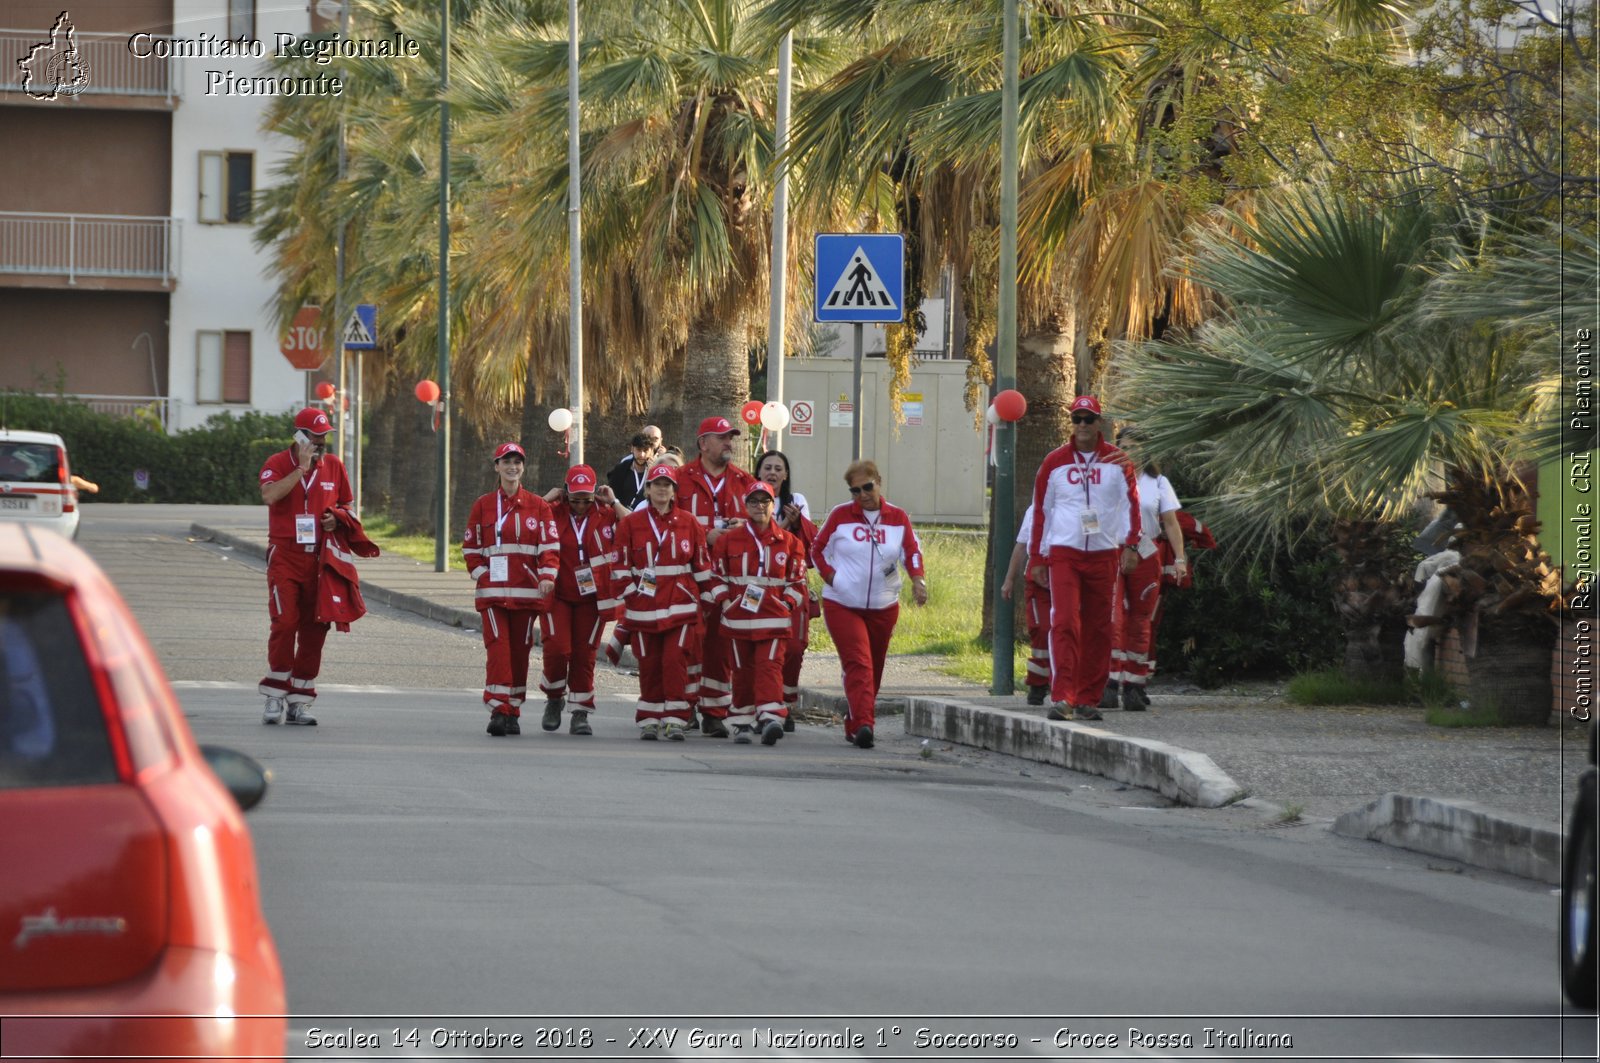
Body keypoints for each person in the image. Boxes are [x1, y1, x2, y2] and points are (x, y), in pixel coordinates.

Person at [1028, 395, 1140, 722]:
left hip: (1104, 553)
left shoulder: (1119, 462)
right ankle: (1063, 696)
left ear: (1099, 423)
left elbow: (1131, 506)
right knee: (1063, 622)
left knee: (1099, 628)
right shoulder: (1054, 462)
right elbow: (1041, 511)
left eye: (1088, 419)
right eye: (1076, 419)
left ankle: (1088, 698)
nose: (1081, 426)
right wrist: (1038, 557)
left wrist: (1131, 545)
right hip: (1064, 552)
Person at [811, 460, 928, 749]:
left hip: (883, 605)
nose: (862, 495)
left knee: (873, 668)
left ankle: (855, 719)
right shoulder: (840, 516)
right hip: (843, 604)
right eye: (855, 491)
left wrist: (918, 580)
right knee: (859, 663)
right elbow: (817, 550)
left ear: (879, 482)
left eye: (867, 487)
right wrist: (832, 578)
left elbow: (911, 551)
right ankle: (865, 725)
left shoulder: (898, 518)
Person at [257, 407, 352, 726]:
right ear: (299, 435)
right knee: (284, 622)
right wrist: (300, 469)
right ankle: (274, 694)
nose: (321, 441)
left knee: (316, 627)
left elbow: (347, 506)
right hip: (285, 554)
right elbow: (270, 496)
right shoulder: (276, 463)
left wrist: (335, 519)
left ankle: (300, 699)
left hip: (320, 558)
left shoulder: (335, 466)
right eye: (315, 435)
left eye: (325, 435)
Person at [463, 442, 560, 737]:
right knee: (499, 650)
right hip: (493, 597)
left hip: (526, 595)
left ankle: (513, 710)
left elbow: (550, 547)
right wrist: (484, 576)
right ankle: (498, 709)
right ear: (497, 466)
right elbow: (471, 547)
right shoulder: (482, 505)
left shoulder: (538, 505)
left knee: (520, 652)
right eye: (507, 461)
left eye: (517, 462)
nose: (512, 467)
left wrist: (546, 576)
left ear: (523, 467)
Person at [676, 416, 760, 737]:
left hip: (729, 579)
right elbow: (666, 520)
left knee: (720, 645)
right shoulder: (679, 480)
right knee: (687, 642)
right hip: (688, 577)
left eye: (731, 437)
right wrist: (705, 535)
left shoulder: (743, 481)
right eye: (722, 437)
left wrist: (743, 530)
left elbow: (762, 525)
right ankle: (684, 707)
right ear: (703, 443)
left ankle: (714, 711)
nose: (729, 443)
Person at [614, 463, 709, 741]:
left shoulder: (689, 523)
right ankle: (650, 718)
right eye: (657, 484)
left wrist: (712, 597)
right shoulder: (631, 523)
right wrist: (632, 594)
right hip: (644, 608)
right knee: (650, 663)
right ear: (647, 489)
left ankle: (676, 720)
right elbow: (619, 565)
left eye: (667, 485)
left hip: (680, 607)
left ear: (674, 491)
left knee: (674, 661)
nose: (662, 489)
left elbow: (702, 565)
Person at [709, 482, 805, 745]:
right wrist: (727, 603)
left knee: (769, 667)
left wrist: (785, 605)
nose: (759, 507)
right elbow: (716, 577)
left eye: (765, 502)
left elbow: (798, 584)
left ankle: (770, 717)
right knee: (741, 671)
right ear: (745, 505)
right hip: (738, 620)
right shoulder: (728, 541)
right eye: (754, 502)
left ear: (773, 505)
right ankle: (742, 722)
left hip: (774, 620)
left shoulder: (790, 542)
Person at [1105, 427, 1187, 711]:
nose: (1129, 452)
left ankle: (1134, 685)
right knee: (1113, 617)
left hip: (1145, 552)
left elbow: (1171, 523)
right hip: (1110, 552)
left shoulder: (1159, 482)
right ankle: (1109, 683)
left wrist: (1180, 559)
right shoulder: (1106, 479)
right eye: (1124, 446)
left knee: (1141, 619)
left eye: (1136, 447)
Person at [538, 465, 623, 736]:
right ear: (566, 494)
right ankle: (554, 697)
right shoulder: (551, 512)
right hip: (558, 594)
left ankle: (580, 711)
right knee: (557, 649)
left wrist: (615, 501)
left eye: (586, 500)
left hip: (593, 597)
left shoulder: (607, 514)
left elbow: (637, 524)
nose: (580, 506)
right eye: (575, 499)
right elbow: (526, 518)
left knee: (584, 654)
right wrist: (545, 499)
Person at [755, 449, 817, 730]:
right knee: (761, 648)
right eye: (767, 467)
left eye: (778, 468)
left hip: (792, 584)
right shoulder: (752, 501)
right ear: (758, 472)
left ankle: (786, 701)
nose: (773, 473)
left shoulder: (797, 501)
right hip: (759, 586)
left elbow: (808, 542)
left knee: (793, 647)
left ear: (786, 474)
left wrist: (796, 522)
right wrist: (782, 525)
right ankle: (765, 706)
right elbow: (757, 542)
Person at [1000, 502, 1052, 706]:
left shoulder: (1075, 505)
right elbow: (1022, 545)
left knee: (1066, 629)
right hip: (1038, 580)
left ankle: (1063, 684)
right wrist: (1009, 579)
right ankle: (1038, 684)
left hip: (1064, 572)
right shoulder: (1034, 509)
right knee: (1041, 630)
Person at [608, 431, 662, 511]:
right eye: (638, 450)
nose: (642, 455)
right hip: (623, 516)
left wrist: (653, 473)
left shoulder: (657, 471)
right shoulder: (621, 469)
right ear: (632, 449)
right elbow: (612, 494)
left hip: (648, 516)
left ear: (651, 451)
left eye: (646, 450)